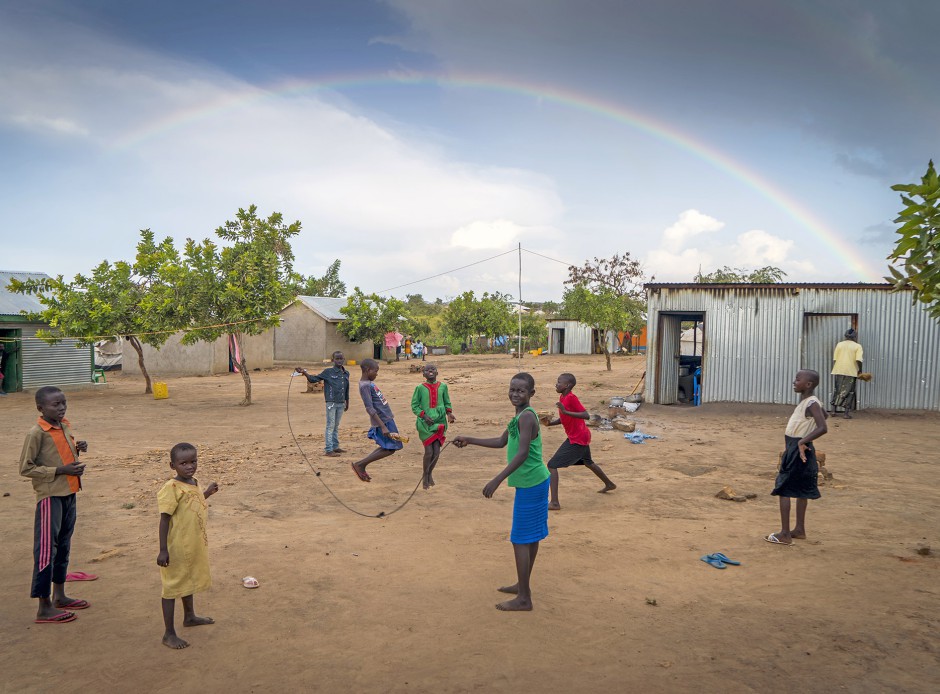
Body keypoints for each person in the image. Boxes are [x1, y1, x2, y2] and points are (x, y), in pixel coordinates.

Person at [454, 373, 549, 612]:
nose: (515, 394)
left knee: (520, 538)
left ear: (532, 394)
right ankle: (522, 584)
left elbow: (523, 453)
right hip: (533, 482)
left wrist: (497, 479)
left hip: (532, 483)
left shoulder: (527, 417)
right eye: (512, 389)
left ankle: (524, 598)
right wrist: (469, 439)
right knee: (531, 537)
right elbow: (501, 441)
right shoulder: (518, 416)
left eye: (521, 391)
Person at [19, 386, 89, 624]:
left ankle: (59, 595)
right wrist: (61, 470)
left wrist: (77, 449)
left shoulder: (63, 425)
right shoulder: (36, 433)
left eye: (63, 403)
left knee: (64, 545)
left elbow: (58, 452)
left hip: (69, 491)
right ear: (40, 408)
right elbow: (26, 468)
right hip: (50, 496)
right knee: (47, 549)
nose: (61, 408)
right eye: (55, 405)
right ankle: (44, 606)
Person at [157, 442, 219, 649]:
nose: (189, 466)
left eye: (193, 461)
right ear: (172, 465)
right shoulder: (171, 488)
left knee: (188, 579)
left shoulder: (193, 482)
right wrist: (163, 550)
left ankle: (190, 616)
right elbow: (164, 519)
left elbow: (192, 503)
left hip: (193, 544)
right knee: (172, 587)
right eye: (183, 463)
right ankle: (169, 633)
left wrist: (207, 493)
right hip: (176, 547)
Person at [765, 369, 828, 546]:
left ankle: (785, 534)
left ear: (808, 385)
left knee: (783, 489)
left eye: (797, 379)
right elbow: (825, 416)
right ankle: (799, 530)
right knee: (801, 490)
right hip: (801, 448)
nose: (794, 382)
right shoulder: (810, 402)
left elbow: (823, 427)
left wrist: (802, 441)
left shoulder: (811, 403)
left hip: (797, 448)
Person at [544, 373, 616, 510]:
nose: (556, 384)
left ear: (567, 386)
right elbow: (564, 418)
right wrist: (550, 423)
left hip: (577, 439)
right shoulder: (562, 397)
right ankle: (609, 484)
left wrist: (565, 411)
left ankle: (554, 502)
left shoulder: (571, 398)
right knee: (588, 462)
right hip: (580, 436)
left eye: (559, 382)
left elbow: (585, 415)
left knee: (552, 465)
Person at [351, 359, 403, 481]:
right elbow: (369, 408)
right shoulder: (365, 386)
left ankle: (361, 465)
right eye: (376, 371)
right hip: (383, 421)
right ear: (368, 370)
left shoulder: (368, 383)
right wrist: (383, 426)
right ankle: (360, 464)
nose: (377, 374)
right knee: (391, 448)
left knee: (389, 447)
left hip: (387, 418)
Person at [295, 351, 350, 457]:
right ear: (333, 360)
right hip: (331, 402)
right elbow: (313, 379)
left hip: (341, 402)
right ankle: (329, 449)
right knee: (330, 425)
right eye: (337, 359)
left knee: (336, 426)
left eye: (341, 358)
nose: (339, 360)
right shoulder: (328, 372)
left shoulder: (346, 373)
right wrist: (304, 372)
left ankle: (335, 446)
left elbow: (346, 389)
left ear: (344, 359)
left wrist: (347, 401)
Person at [411, 363, 456, 489]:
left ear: (437, 373)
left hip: (440, 422)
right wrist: (424, 416)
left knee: (436, 452)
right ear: (423, 374)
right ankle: (425, 475)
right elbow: (414, 405)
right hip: (425, 423)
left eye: (433, 369)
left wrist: (449, 414)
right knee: (429, 452)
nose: (430, 371)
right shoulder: (419, 388)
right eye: (427, 370)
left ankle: (430, 473)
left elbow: (447, 402)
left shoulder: (443, 387)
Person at [830, 328, 863, 419]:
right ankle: (846, 413)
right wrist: (860, 370)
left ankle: (833, 411)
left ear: (845, 336)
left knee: (837, 389)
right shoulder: (857, 346)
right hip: (851, 371)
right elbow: (858, 360)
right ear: (855, 337)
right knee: (850, 391)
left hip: (839, 370)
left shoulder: (839, 345)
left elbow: (835, 359)